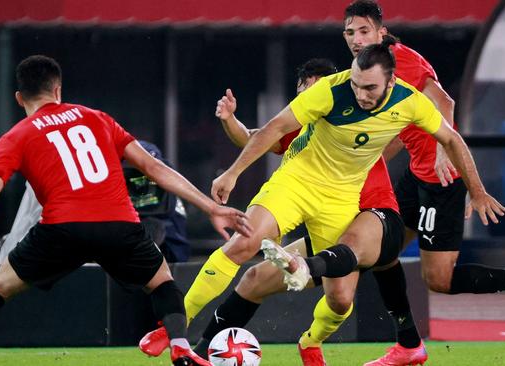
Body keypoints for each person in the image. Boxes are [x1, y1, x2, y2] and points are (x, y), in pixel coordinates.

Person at [0, 55, 252, 366]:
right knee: (162, 281)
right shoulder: (97, 117)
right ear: (58, 90)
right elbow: (152, 167)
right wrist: (211, 206)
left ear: (19, 98)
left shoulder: (16, 136)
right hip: (120, 225)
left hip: (61, 229)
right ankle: (181, 346)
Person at [140, 58, 424, 365]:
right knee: (253, 276)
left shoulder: (356, 122)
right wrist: (229, 121)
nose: (310, 100)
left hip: (366, 223)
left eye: (315, 92)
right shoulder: (305, 128)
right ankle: (199, 344)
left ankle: (311, 342)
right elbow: (258, 137)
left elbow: (409, 126)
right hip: (321, 217)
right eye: (303, 93)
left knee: (341, 299)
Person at [340, 0, 505, 351]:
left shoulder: (402, 60)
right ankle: (408, 346)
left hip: (440, 180)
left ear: (381, 32)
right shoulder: (373, 69)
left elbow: (445, 102)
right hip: (417, 174)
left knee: (438, 280)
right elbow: (400, 132)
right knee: (383, 253)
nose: (356, 39)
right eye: (350, 32)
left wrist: (446, 150)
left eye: (364, 30)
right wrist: (368, 162)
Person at [0, 140, 191, 264]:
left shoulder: (167, 193)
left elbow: (174, 253)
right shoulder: (70, 188)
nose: (137, 184)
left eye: (147, 176)